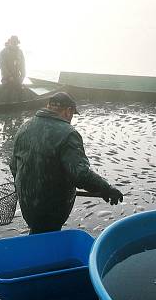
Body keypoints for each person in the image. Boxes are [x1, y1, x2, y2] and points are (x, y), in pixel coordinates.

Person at [10, 91, 124, 234]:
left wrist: (29, 188)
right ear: (68, 111)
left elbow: (14, 166)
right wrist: (106, 188)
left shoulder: (24, 127)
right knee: (49, 236)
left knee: (38, 234)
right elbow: (80, 174)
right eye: (72, 114)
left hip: (27, 204)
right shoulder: (68, 133)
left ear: (48, 106)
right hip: (52, 209)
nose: (71, 119)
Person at [0, 35, 26, 102]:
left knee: (21, 92)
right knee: (8, 92)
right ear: (9, 42)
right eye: (13, 42)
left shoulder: (20, 52)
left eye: (16, 42)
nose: (14, 44)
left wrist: (23, 76)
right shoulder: (3, 52)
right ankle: (6, 107)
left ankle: (19, 107)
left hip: (17, 77)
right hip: (7, 78)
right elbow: (2, 66)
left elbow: (23, 65)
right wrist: (9, 76)